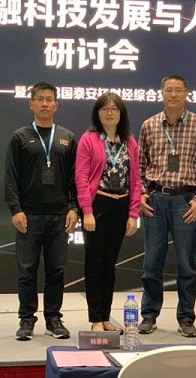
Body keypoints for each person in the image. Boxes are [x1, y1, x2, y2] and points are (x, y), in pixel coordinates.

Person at [138, 74, 196, 338]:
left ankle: (186, 318)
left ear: (186, 94)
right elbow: (139, 166)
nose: (173, 94)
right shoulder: (149, 125)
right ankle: (149, 315)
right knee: (152, 262)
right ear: (161, 93)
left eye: (178, 90)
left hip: (186, 201)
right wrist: (141, 194)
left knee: (186, 264)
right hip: (155, 200)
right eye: (168, 90)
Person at [4, 81, 78, 341]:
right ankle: (26, 319)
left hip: (60, 215)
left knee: (56, 270)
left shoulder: (67, 137)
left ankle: (53, 319)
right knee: (27, 270)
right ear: (31, 104)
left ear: (56, 104)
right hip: (29, 215)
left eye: (49, 99)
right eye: (40, 99)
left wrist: (74, 208)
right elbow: (10, 177)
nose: (45, 103)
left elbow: (75, 177)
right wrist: (15, 209)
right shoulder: (20, 137)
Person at [75, 92, 140, 332]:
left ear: (121, 113)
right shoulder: (89, 139)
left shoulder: (130, 142)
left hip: (121, 206)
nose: (109, 113)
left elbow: (136, 180)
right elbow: (81, 177)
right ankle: (95, 319)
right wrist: (87, 211)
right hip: (97, 205)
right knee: (95, 263)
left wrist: (133, 214)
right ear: (97, 113)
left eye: (114, 108)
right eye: (104, 109)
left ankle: (106, 317)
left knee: (110, 265)